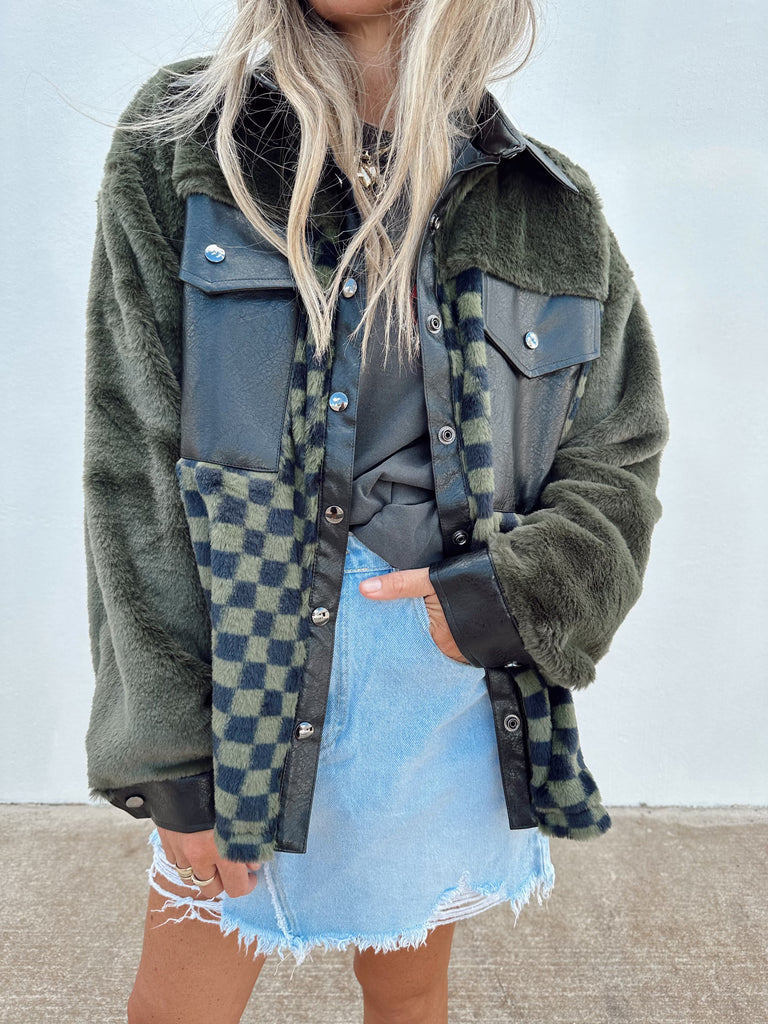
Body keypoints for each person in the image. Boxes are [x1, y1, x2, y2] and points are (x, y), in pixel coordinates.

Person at [81, 1, 669, 1021]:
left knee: (408, 986)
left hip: (440, 684)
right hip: (249, 688)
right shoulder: (188, 143)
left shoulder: (552, 208)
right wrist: (172, 760)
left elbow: (618, 450)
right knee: (180, 1002)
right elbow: (133, 465)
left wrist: (501, 599)